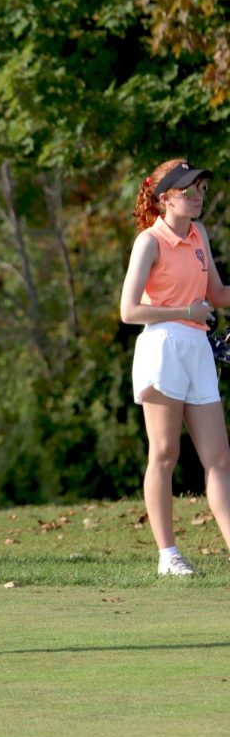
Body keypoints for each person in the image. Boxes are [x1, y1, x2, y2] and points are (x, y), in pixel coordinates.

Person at [120, 158, 230, 575]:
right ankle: (168, 555)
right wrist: (186, 309)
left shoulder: (199, 232)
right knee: (165, 453)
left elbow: (217, 293)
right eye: (188, 190)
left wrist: (198, 310)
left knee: (219, 457)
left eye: (200, 188)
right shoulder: (149, 241)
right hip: (162, 347)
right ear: (165, 197)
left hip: (197, 348)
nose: (198, 196)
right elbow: (129, 310)